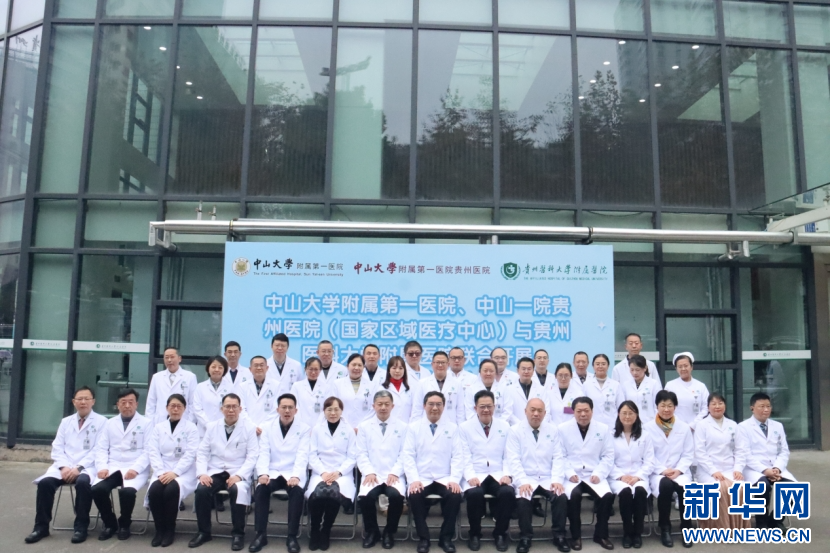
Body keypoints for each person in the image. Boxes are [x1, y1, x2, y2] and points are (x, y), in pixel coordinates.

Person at [26, 386, 106, 544]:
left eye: (87, 399)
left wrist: (79, 468)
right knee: (45, 484)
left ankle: (81, 527)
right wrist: (63, 467)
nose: (83, 402)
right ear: (74, 402)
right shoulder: (66, 422)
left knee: (83, 483)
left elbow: (99, 449)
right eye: (79, 399)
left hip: (87, 467)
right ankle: (41, 527)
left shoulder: (102, 422)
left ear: (93, 401)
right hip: (64, 467)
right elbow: (57, 447)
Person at [190, 393, 259, 551]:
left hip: (237, 470)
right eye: (227, 406)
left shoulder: (249, 428)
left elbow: (253, 455)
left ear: (240, 409)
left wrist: (239, 475)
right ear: (222, 409)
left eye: (234, 406)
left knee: (236, 491)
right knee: (202, 490)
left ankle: (238, 534)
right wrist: (202, 474)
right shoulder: (212, 427)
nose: (231, 410)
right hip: (216, 470)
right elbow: (202, 452)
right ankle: (204, 532)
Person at [505, 397, 570, 553]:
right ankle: (525, 537)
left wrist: (557, 480)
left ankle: (559, 535)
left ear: (545, 413)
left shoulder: (553, 430)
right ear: (525, 411)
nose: (536, 414)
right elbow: (513, 459)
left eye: (540, 411)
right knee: (523, 499)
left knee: (560, 497)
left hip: (548, 477)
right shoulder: (515, 431)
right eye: (532, 410)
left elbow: (558, 457)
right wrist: (522, 481)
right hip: (526, 477)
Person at [402, 391, 465, 553]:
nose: (435, 408)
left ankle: (446, 538)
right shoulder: (414, 428)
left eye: (438, 404)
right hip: (422, 477)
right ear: (424, 406)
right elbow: (408, 456)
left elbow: (458, 456)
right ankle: (424, 538)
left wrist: (454, 479)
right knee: (415, 495)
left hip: (444, 477)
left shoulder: (452, 428)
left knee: (454, 495)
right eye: (431, 404)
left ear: (443, 407)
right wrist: (414, 479)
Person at [250, 394, 311, 553]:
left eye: (290, 407)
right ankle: (260, 534)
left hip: (292, 472)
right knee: (261, 489)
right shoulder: (267, 427)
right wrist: (263, 473)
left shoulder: (304, 429)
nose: (287, 410)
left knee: (297, 492)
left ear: (296, 410)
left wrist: (296, 476)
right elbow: (263, 452)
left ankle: (292, 536)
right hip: (272, 472)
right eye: (284, 407)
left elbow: (303, 454)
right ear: (277, 409)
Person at [91, 388, 152, 541]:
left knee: (127, 492)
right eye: (123, 402)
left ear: (136, 404)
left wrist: (136, 469)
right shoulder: (109, 423)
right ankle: (109, 523)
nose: (127, 406)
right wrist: (102, 467)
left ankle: (124, 523)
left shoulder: (147, 423)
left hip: (135, 467)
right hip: (113, 466)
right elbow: (101, 448)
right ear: (117, 405)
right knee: (98, 490)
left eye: (131, 402)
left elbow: (149, 450)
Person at [459, 390, 514, 552]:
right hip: (476, 473)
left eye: (489, 406)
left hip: (498, 473)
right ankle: (475, 534)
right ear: (475, 408)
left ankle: (500, 533)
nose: (486, 410)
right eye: (482, 406)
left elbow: (508, 454)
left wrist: (507, 474)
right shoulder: (464, 427)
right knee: (474, 494)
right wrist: (470, 476)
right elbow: (464, 455)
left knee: (507, 493)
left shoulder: (505, 426)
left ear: (494, 407)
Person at [559, 397, 615, 551]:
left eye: (586, 411)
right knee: (574, 496)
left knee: (607, 496)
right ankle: (575, 535)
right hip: (573, 474)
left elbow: (608, 455)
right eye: (579, 411)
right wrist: (569, 473)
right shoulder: (563, 429)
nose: (583, 414)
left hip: (594, 473)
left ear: (592, 411)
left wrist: (599, 473)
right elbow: (560, 455)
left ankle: (601, 534)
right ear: (573, 412)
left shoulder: (603, 429)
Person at [356, 390, 408, 549]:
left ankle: (389, 532)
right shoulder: (364, 427)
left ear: (393, 406)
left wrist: (395, 472)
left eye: (386, 404)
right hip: (373, 473)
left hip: (394, 474)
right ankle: (372, 532)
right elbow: (361, 453)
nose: (383, 407)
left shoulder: (403, 427)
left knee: (396, 497)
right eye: (380, 404)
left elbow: (405, 453)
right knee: (366, 498)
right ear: (373, 406)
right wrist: (369, 472)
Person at [146, 393, 199, 548]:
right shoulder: (158, 428)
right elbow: (153, 451)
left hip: (183, 471)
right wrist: (160, 472)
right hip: (162, 469)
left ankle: (169, 530)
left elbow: (191, 453)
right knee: (155, 490)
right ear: (166, 408)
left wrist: (175, 472)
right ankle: (159, 530)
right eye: (172, 406)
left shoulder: (191, 428)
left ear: (184, 408)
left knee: (171, 490)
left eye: (179, 406)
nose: (175, 409)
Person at [306, 397, 357, 552]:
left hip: (342, 474)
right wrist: (323, 473)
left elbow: (352, 456)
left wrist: (338, 473)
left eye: (336, 409)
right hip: (320, 472)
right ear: (324, 411)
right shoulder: (317, 429)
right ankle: (315, 529)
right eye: (329, 409)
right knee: (317, 495)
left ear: (341, 411)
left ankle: (326, 530)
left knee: (334, 495)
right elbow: (312, 455)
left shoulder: (349, 430)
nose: (333, 413)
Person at [694, 393, 751, 530]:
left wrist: (738, 469)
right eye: (713, 404)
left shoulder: (733, 425)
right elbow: (700, 452)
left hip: (730, 469)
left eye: (720, 403)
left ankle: (738, 528)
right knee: (720, 489)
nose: (717, 406)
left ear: (725, 406)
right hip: (708, 471)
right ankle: (719, 528)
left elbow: (740, 449)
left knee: (740, 489)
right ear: (708, 407)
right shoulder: (702, 425)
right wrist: (713, 471)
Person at [739, 392, 796, 529]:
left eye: (768, 406)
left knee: (795, 489)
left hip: (775, 467)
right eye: (761, 406)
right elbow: (745, 454)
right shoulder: (743, 427)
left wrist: (777, 468)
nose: (766, 409)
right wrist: (765, 470)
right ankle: (762, 523)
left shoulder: (778, 426)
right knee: (763, 486)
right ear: (752, 408)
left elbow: (784, 451)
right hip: (753, 469)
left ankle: (775, 520)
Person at [645, 390, 694, 548]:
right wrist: (662, 470)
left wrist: (679, 470)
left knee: (685, 489)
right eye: (663, 405)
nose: (666, 409)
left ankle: (687, 527)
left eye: (670, 406)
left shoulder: (684, 427)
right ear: (656, 406)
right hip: (657, 472)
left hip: (680, 471)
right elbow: (647, 455)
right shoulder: (647, 428)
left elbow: (688, 453)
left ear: (675, 407)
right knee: (665, 486)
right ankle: (665, 528)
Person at [609, 401, 655, 549]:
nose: (627, 416)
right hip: (618, 476)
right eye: (624, 413)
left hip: (639, 475)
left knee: (640, 491)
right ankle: (627, 532)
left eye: (631, 413)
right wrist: (621, 476)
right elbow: (607, 460)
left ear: (636, 415)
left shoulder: (645, 435)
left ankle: (638, 532)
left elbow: (649, 461)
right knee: (625, 493)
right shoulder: (610, 435)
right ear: (618, 415)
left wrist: (638, 476)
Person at [145, 347, 197, 426]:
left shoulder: (190, 377)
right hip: (160, 422)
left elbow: (192, 403)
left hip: (183, 420)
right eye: (166, 357)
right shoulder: (156, 377)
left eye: (172, 357)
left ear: (179, 359)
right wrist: (150, 424)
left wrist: (190, 423)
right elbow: (151, 403)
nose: (169, 360)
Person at [411, 351, 465, 425]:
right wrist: (415, 427)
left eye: (443, 362)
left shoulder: (457, 384)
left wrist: (460, 428)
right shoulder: (422, 383)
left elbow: (460, 410)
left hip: (450, 425)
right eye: (437, 362)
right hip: (427, 425)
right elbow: (417, 409)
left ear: (448, 364)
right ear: (432, 364)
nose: (440, 365)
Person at [328, 353, 377, 430]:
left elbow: (373, 408)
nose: (356, 368)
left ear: (364, 367)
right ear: (347, 366)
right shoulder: (337, 384)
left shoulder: (372, 385)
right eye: (353, 365)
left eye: (360, 365)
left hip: (366, 428)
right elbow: (333, 406)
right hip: (342, 426)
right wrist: (346, 425)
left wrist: (361, 426)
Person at [238, 355, 283, 434]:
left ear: (267, 368)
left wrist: (263, 426)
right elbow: (241, 409)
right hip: (247, 429)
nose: (259, 368)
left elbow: (276, 408)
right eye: (256, 365)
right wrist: (252, 427)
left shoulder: (276, 385)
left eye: (261, 365)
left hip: (269, 429)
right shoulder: (242, 386)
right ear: (250, 369)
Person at [664, 352, 709, 429]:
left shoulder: (701, 386)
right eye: (680, 366)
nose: (683, 369)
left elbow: (706, 407)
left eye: (686, 366)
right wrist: (680, 425)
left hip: (697, 428)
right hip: (676, 427)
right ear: (676, 369)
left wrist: (693, 425)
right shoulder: (670, 386)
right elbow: (666, 407)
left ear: (691, 367)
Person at [192, 356, 235, 436]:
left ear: (224, 370)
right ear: (208, 368)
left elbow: (232, 408)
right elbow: (197, 409)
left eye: (220, 367)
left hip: (224, 429)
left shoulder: (230, 387)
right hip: (203, 431)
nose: (216, 370)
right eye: (213, 367)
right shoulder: (200, 387)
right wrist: (208, 425)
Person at [465, 359, 514, 424]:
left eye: (491, 371)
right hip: (476, 426)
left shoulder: (504, 389)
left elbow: (508, 411)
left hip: (500, 426)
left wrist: (497, 425)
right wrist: (481, 425)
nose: (488, 373)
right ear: (480, 372)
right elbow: (469, 412)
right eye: (485, 371)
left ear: (496, 373)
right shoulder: (471, 389)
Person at [582, 354, 625, 428]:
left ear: (608, 366)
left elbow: (621, 407)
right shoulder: (586, 385)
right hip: (592, 424)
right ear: (593, 366)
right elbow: (582, 406)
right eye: (597, 364)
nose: (600, 366)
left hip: (612, 425)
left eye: (603, 364)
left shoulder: (616, 385)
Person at [506, 357, 551, 425]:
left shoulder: (541, 389)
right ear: (518, 370)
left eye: (529, 369)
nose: (526, 372)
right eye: (523, 369)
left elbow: (546, 411)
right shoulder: (509, 390)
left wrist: (537, 425)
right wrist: (521, 425)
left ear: (533, 371)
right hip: (515, 427)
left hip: (537, 427)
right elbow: (508, 412)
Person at [290, 357, 328, 427]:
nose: (313, 372)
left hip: (320, 425)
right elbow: (294, 406)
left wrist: (319, 425)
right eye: (310, 369)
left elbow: (327, 407)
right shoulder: (297, 386)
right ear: (305, 369)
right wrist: (300, 424)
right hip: (300, 425)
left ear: (320, 370)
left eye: (316, 369)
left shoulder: (326, 387)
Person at [622, 355, 660, 421]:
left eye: (637, 370)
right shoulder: (625, 385)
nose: (634, 373)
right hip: (631, 421)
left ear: (645, 368)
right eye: (632, 370)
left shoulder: (654, 384)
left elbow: (657, 405)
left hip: (649, 421)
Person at [380, 356, 414, 423]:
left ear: (404, 370)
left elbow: (414, 410)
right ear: (389, 370)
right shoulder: (382, 389)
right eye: (394, 368)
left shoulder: (411, 388)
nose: (397, 371)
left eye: (401, 368)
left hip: (406, 425)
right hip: (388, 425)